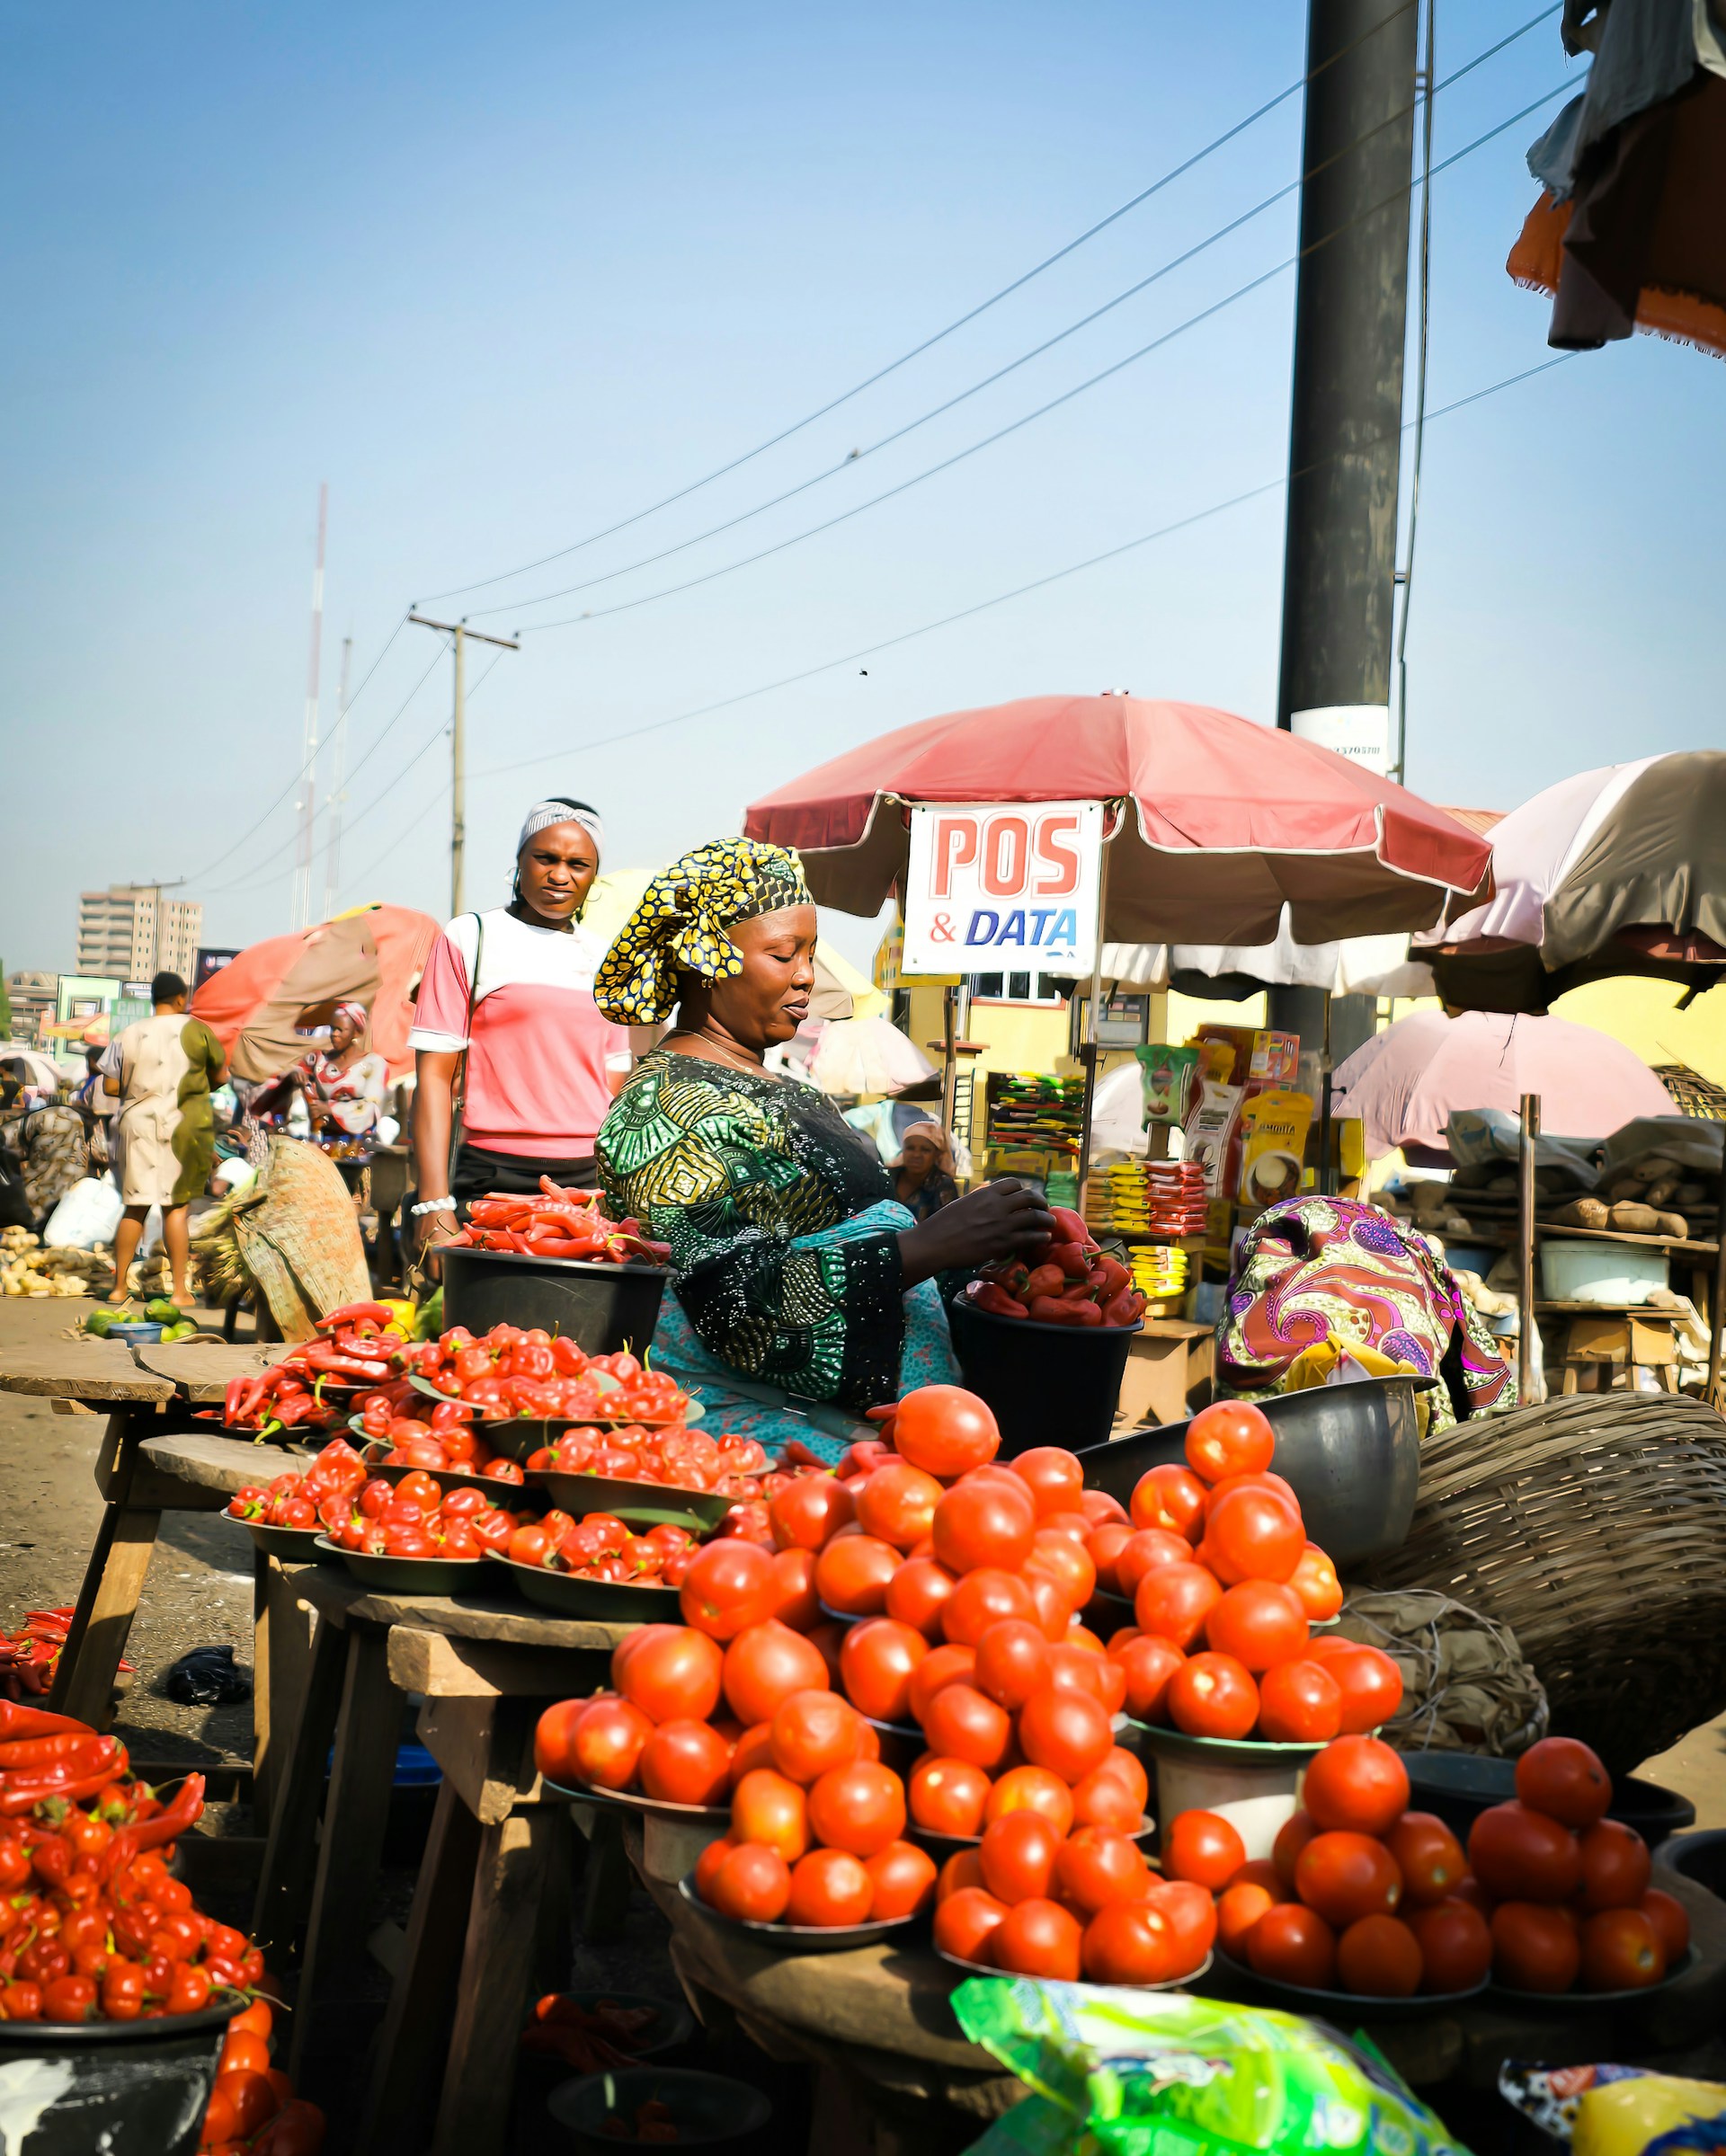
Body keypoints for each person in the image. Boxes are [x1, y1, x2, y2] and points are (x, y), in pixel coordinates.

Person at [593, 839, 1054, 1460]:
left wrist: (995, 1253)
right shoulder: (661, 1109)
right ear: (704, 963)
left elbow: (855, 1231)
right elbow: (737, 1307)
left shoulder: (789, 1087)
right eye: (783, 954)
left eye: (810, 953)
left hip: (899, 1432)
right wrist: (929, 1244)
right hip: (784, 1451)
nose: (808, 974)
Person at [409, 798, 632, 1258]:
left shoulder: (606, 958)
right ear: (519, 861)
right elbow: (432, 1077)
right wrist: (432, 1204)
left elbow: (612, 1082)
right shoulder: (472, 937)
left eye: (578, 864)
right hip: (492, 1176)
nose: (560, 875)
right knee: (479, 1327)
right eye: (545, 858)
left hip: (585, 1185)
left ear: (594, 876)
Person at [1215, 1193, 1516, 1433]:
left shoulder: (1262, 1292)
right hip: (1401, 1435)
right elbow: (1477, 1376)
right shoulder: (1412, 1269)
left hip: (1265, 1446)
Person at [102, 972, 226, 1307]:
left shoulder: (129, 1033)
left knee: (136, 1204)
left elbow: (110, 1087)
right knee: (175, 1207)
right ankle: (180, 1292)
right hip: (182, 1126)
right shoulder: (197, 1029)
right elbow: (221, 1076)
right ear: (181, 999)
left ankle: (117, 1288)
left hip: (137, 1126)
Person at [296, 1000, 389, 1142]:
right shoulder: (319, 1060)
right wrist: (295, 1075)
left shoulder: (374, 1064)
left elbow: (371, 1106)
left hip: (358, 1145)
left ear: (356, 1032)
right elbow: (295, 1073)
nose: (334, 1034)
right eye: (332, 1028)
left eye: (341, 1029)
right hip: (322, 1141)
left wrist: (330, 1109)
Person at [891, 1121, 960, 1221]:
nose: (916, 1155)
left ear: (936, 1155)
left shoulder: (942, 1184)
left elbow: (947, 1225)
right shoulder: (888, 1177)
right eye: (910, 1148)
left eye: (925, 1150)